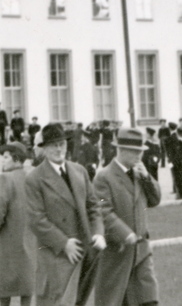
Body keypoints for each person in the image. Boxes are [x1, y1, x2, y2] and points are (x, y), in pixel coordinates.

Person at [25, 123, 106, 306]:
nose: (59, 148)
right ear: (44, 149)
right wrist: (63, 243)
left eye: (62, 143)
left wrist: (98, 232)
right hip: (57, 255)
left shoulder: (79, 171)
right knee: (57, 301)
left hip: (85, 251)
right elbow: (36, 220)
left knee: (79, 300)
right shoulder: (34, 179)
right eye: (53, 145)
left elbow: (93, 206)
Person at [92, 127, 161, 306]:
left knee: (149, 300)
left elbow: (155, 200)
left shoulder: (139, 174)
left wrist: (147, 177)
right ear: (121, 150)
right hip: (118, 254)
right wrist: (125, 234)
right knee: (119, 301)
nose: (139, 156)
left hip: (142, 252)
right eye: (135, 152)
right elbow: (103, 211)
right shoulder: (104, 177)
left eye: (141, 152)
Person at [0, 142, 35, 306]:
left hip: (6, 239)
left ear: (16, 159)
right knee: (26, 285)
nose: (3, 161)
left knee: (5, 287)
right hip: (27, 238)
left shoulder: (4, 178)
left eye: (6, 157)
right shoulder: (30, 176)